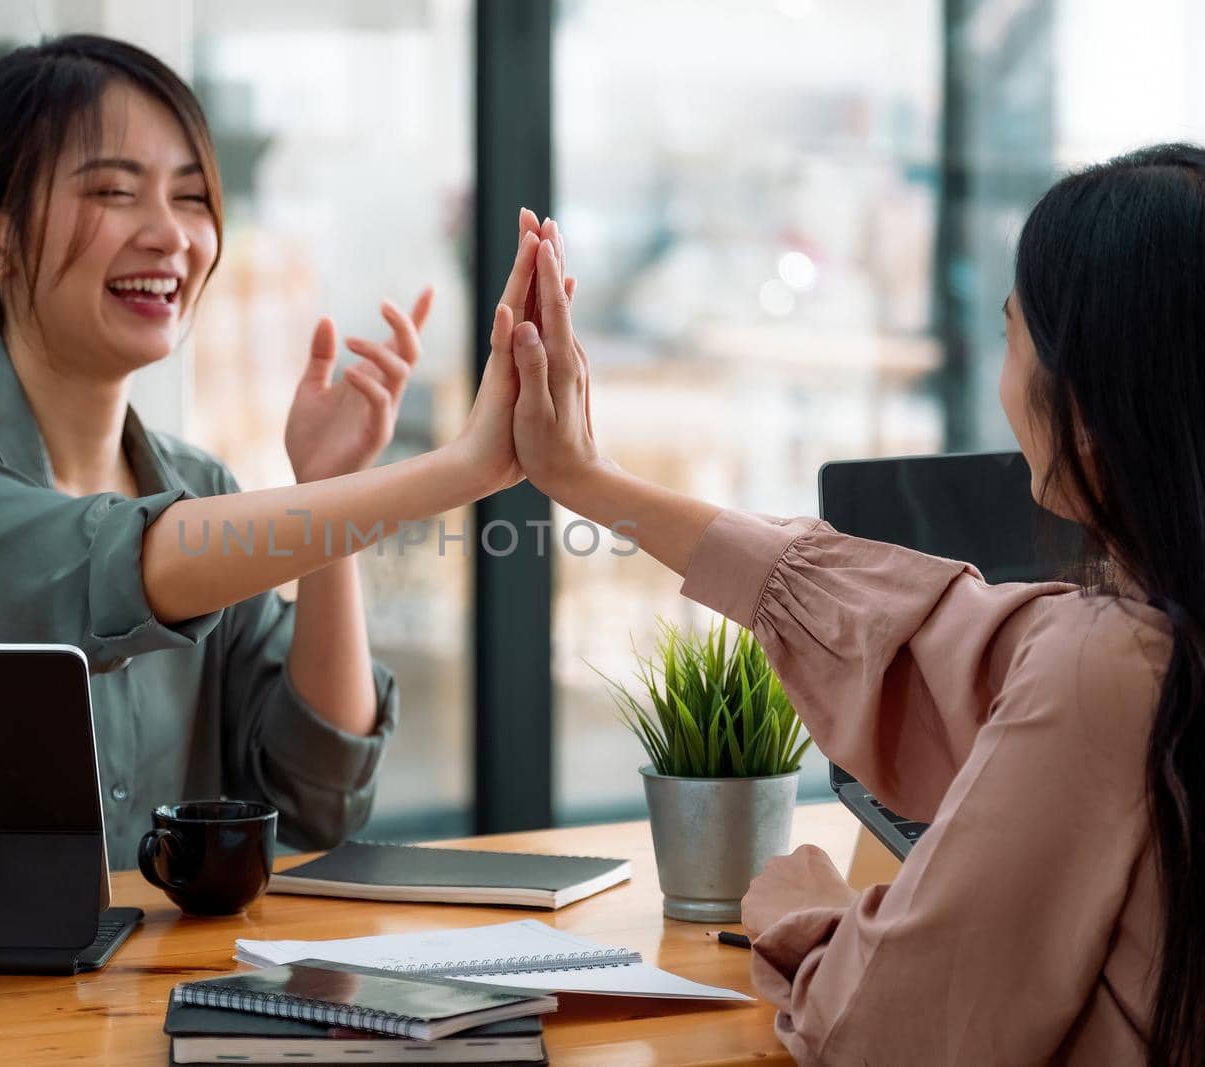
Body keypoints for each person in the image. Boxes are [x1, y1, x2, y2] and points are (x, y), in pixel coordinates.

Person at [497, 146, 1205, 1065]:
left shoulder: (1111, 666)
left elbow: (895, 1029)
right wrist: (584, 478)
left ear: (1085, 396)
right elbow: (922, 625)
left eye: (1010, 334)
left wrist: (809, 918)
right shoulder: (1140, 637)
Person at [0, 35, 556, 862]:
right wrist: (456, 471)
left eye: (192, 197)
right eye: (115, 191)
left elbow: (315, 795)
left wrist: (328, 492)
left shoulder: (200, 488)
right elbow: (120, 565)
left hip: (150, 989)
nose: (171, 235)